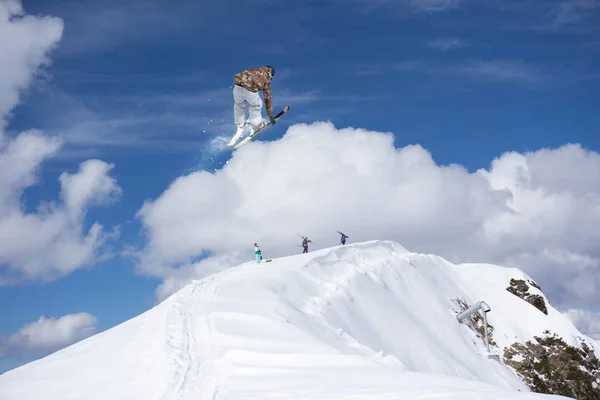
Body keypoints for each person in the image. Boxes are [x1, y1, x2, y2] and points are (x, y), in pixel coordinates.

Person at [232, 65, 276, 139]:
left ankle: (240, 125)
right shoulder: (266, 78)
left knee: (239, 105)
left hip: (237, 87)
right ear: (270, 73)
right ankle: (256, 126)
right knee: (256, 105)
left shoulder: (254, 70)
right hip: (249, 89)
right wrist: (270, 115)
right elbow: (267, 98)